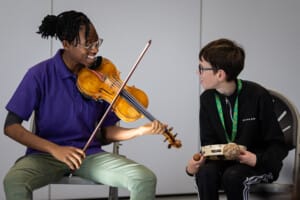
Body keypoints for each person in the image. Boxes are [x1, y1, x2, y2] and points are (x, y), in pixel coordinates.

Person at [3, 10, 167, 200]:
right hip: (45, 156)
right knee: (14, 181)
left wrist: (139, 131)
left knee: (144, 179)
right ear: (66, 44)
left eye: (97, 43)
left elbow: (105, 132)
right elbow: (11, 127)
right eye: (88, 45)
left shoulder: (101, 76)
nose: (95, 50)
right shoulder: (39, 74)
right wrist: (55, 149)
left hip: (89, 155)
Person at [185, 38, 288, 200]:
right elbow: (209, 144)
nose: (198, 73)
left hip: (260, 164)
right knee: (205, 173)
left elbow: (278, 145)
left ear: (220, 74)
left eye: (201, 68)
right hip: (225, 164)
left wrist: (256, 159)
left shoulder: (258, 95)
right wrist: (192, 166)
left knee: (233, 176)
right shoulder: (207, 99)